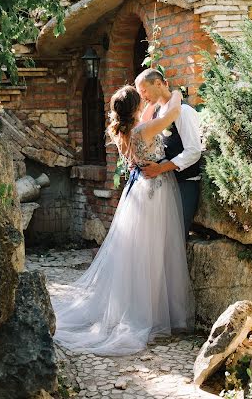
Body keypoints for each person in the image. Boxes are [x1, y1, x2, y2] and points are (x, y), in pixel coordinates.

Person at [53, 85, 194, 356]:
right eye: (141, 100)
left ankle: (137, 309)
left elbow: (150, 116)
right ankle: (147, 316)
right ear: (135, 107)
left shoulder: (123, 131)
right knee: (153, 252)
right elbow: (173, 112)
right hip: (154, 191)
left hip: (137, 190)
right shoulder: (143, 130)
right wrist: (176, 91)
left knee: (136, 253)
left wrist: (151, 101)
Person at [135, 69, 202, 240]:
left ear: (158, 83)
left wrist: (161, 168)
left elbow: (193, 151)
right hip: (164, 187)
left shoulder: (184, 111)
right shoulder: (158, 114)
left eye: (144, 91)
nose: (142, 96)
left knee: (176, 238)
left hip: (184, 185)